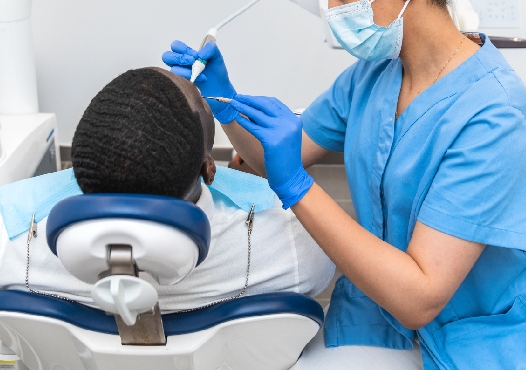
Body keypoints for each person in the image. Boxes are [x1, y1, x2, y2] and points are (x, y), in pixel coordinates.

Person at [163, 0, 526, 370]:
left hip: (484, 334)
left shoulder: (495, 118)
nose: (333, 11)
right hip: (378, 312)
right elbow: (273, 160)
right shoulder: (374, 75)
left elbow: (420, 296)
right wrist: (224, 102)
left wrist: (296, 185)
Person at [0, 68, 334, 311]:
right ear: (209, 169)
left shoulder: (9, 239)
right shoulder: (295, 241)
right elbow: (324, 264)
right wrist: (257, 184)